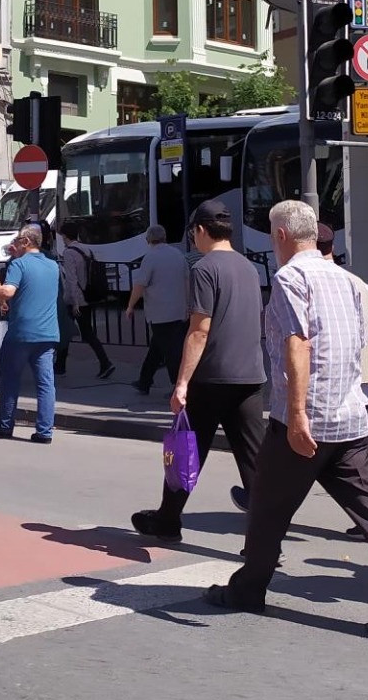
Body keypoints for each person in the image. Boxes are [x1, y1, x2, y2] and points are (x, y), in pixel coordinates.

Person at [203, 201, 368, 645]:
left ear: (281, 236)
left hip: (307, 420)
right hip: (350, 418)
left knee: (267, 509)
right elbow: (364, 342)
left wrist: (297, 414)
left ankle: (248, 590)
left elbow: (298, 344)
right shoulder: (349, 281)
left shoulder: (291, 278)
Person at [132, 200, 266, 543]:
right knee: (254, 460)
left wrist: (181, 382)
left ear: (201, 230)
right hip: (250, 375)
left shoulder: (205, 268)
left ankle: (167, 520)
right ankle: (266, 540)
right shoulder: (249, 268)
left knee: (186, 449)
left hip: (212, 376)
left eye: (193, 232)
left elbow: (199, 330)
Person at [0, 226, 60, 443]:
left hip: (21, 332)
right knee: (45, 383)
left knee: (10, 380)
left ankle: (5, 424)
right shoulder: (52, 265)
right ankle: (44, 431)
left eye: (17, 239)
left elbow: (8, 291)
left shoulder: (19, 264)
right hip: (47, 332)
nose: (14, 243)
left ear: (26, 241)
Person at [125, 225, 189, 395]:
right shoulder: (178, 254)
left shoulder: (150, 257)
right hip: (178, 310)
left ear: (148, 239)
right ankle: (144, 381)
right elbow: (187, 280)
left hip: (159, 312)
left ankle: (177, 386)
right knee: (158, 348)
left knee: (169, 352)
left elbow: (140, 285)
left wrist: (130, 305)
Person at [56, 222, 115, 380]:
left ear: (65, 236)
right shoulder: (86, 249)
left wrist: (75, 302)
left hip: (76, 299)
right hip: (88, 295)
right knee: (83, 332)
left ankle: (104, 362)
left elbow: (71, 279)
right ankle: (61, 365)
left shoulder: (69, 253)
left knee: (69, 331)